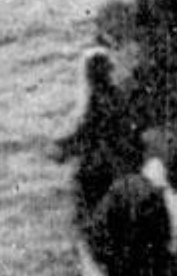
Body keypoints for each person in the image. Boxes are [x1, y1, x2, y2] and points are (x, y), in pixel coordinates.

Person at [52, 48, 141, 218]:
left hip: (100, 168)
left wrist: (61, 148)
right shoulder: (118, 96)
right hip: (121, 164)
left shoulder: (93, 102)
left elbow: (84, 135)